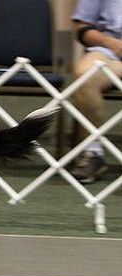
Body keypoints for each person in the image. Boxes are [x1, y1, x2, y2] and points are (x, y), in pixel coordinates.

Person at [71, 0, 122, 184]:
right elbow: (81, 28)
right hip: (110, 50)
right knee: (84, 75)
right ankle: (94, 153)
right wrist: (111, 43)